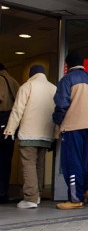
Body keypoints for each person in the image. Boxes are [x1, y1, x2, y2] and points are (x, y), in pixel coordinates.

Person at [53, 51, 88, 209]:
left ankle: (75, 199)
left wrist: (57, 120)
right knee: (83, 160)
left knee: (71, 162)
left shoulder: (67, 80)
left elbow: (61, 105)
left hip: (72, 126)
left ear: (67, 65)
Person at [3, 65, 56, 208]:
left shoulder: (27, 86)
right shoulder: (53, 88)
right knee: (39, 165)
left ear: (31, 74)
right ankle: (37, 193)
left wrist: (9, 130)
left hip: (29, 133)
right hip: (46, 134)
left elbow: (17, 110)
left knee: (29, 165)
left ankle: (30, 198)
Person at [0, 63, 20, 204]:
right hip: (10, 126)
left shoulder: (0, 80)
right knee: (6, 160)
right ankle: (3, 192)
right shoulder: (14, 81)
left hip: (1, 122)